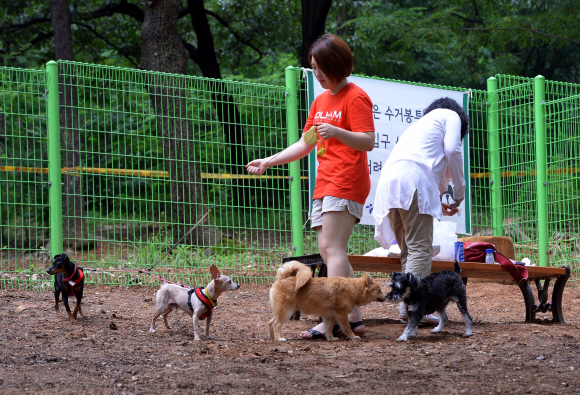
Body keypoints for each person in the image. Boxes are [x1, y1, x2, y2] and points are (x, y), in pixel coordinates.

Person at [246, 34, 375, 339]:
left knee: (333, 249)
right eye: (313, 68)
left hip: (347, 179)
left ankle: (334, 317)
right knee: (328, 250)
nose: (316, 74)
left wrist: (338, 131)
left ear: (337, 65)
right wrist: (269, 160)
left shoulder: (356, 97)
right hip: (325, 182)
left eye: (320, 68)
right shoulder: (320, 101)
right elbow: (305, 144)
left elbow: (368, 140)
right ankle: (352, 318)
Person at [372, 97, 469, 324]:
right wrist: (460, 192)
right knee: (420, 249)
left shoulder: (420, 125)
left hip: (390, 183)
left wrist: (435, 199)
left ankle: (409, 309)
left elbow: (424, 162)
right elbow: (452, 150)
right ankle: (413, 310)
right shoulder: (451, 115)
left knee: (408, 249)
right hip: (412, 181)